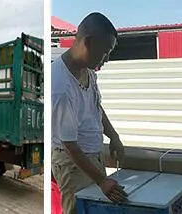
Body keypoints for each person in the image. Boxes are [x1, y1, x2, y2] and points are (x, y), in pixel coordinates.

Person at [51, 12, 127, 214]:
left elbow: (96, 107)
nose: (107, 59)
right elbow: (70, 146)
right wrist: (102, 181)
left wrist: (114, 136)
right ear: (89, 42)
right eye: (105, 52)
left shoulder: (89, 71)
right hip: (73, 165)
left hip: (92, 159)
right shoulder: (60, 86)